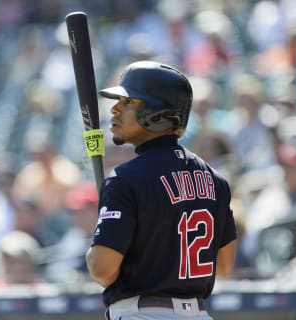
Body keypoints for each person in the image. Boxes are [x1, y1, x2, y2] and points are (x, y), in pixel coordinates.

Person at [85, 61, 237, 320]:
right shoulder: (215, 180)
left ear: (156, 115)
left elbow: (102, 270)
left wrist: (96, 251)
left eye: (128, 102)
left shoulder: (124, 179)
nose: (115, 109)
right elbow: (223, 266)